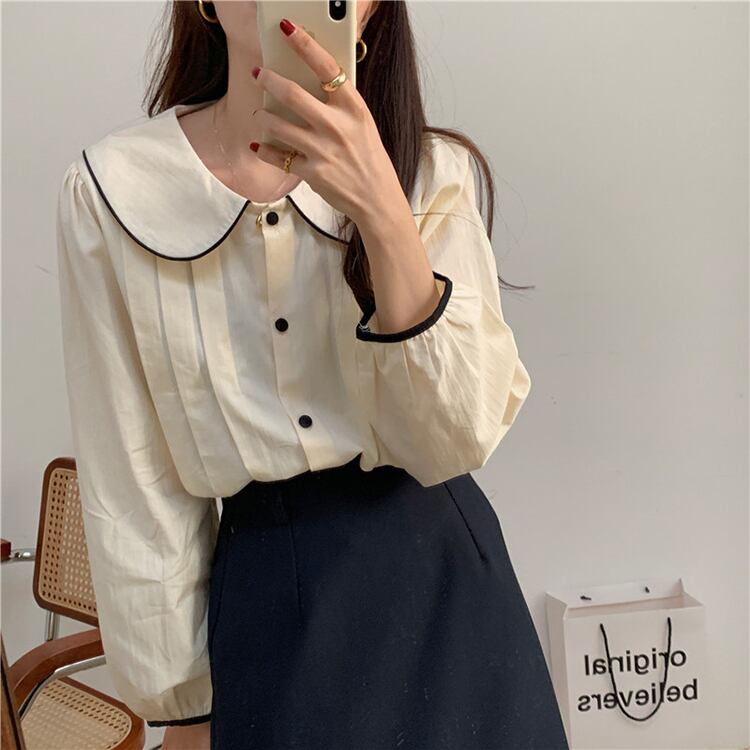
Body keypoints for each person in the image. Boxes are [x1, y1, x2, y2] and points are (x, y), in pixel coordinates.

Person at [55, 1, 569, 748]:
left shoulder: (430, 172)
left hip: (449, 593)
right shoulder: (115, 191)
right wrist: (184, 712)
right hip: (269, 604)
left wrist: (381, 209)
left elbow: (458, 436)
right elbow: (134, 483)